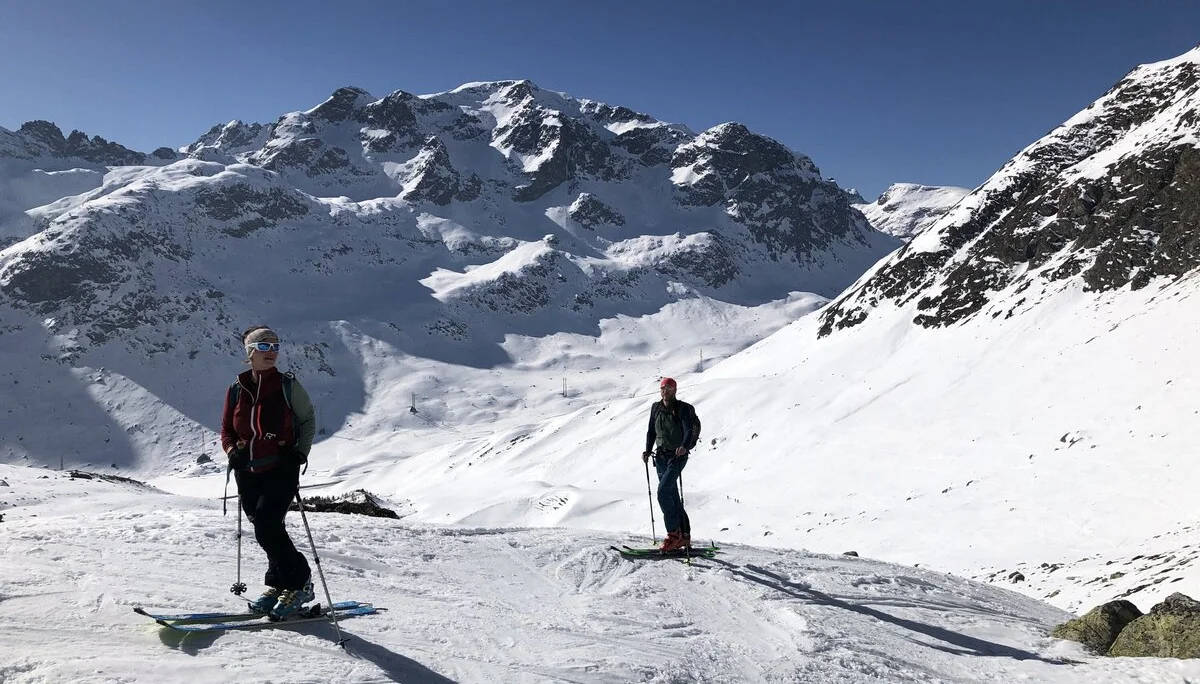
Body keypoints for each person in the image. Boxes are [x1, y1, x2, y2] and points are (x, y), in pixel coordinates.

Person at [221, 325, 317, 618]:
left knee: (267, 525)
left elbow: (308, 419)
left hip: (281, 468)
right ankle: (277, 584)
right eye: (263, 346)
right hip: (247, 471)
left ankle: (300, 583)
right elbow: (226, 429)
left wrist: (299, 454)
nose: (271, 352)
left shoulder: (287, 385)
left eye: (275, 346)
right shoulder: (237, 388)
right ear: (249, 352)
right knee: (264, 529)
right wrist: (232, 452)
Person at [641, 377, 697, 552]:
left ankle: (673, 534)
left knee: (663, 492)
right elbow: (651, 430)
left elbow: (688, 429)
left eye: (669, 388)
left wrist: (684, 446)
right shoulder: (656, 408)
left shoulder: (682, 408)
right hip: (661, 458)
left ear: (675, 390)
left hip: (677, 457)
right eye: (663, 388)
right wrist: (648, 450)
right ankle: (684, 536)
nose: (665, 391)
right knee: (672, 496)